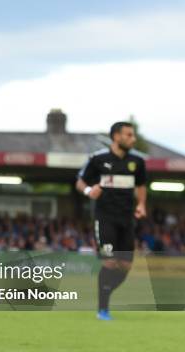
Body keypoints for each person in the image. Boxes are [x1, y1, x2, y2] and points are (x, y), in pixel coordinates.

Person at [76, 122, 147, 320]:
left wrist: (141, 204)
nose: (133, 139)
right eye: (129, 135)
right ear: (116, 136)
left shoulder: (137, 162)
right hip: (105, 219)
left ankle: (104, 292)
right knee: (110, 262)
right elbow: (80, 182)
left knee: (124, 266)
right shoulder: (98, 159)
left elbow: (141, 186)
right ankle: (103, 309)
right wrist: (90, 191)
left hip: (127, 220)